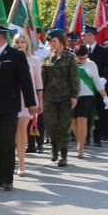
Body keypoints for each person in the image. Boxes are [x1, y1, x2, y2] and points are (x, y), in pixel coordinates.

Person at [0, 24, 37, 190]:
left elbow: (26, 81)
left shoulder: (16, 55)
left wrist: (31, 104)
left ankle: (8, 178)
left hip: (9, 106)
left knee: (6, 141)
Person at [41, 28, 79, 166]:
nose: (52, 43)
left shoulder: (70, 58)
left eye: (54, 41)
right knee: (50, 125)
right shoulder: (47, 58)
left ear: (61, 41)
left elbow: (74, 78)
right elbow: (43, 79)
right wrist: (41, 96)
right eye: (50, 42)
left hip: (65, 97)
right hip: (50, 97)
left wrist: (74, 96)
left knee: (64, 126)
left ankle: (63, 154)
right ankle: (54, 149)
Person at [12, 31, 43, 176]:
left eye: (22, 42)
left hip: (28, 100)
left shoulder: (34, 60)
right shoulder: (10, 59)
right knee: (11, 131)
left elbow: (38, 82)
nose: (19, 45)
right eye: (17, 42)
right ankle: (10, 160)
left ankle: (22, 164)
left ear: (27, 44)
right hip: (12, 98)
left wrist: (40, 101)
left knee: (21, 128)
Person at [72, 44, 108, 158]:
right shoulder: (71, 64)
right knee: (73, 122)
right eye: (80, 58)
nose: (82, 60)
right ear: (76, 56)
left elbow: (97, 82)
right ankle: (80, 140)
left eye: (84, 58)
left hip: (87, 95)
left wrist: (105, 97)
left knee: (82, 120)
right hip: (73, 96)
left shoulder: (91, 65)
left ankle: (81, 147)